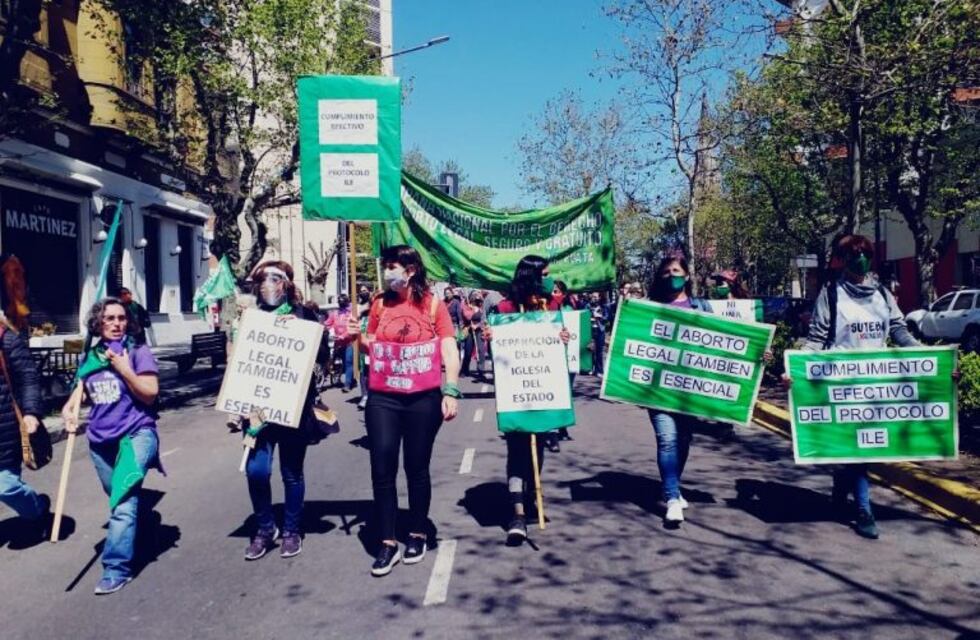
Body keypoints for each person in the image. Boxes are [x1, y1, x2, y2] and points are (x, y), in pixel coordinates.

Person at [791, 235, 927, 540]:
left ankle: (841, 486)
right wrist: (797, 368)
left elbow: (898, 330)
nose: (860, 259)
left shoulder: (882, 292)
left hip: (877, 384)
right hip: (841, 383)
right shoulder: (832, 293)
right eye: (853, 255)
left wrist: (925, 356)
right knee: (859, 452)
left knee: (860, 449)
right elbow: (817, 337)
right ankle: (864, 510)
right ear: (842, 259)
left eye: (865, 253)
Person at [348, 245, 460, 577]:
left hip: (423, 399)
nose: (387, 272)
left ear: (410, 270)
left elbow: (449, 348)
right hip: (384, 397)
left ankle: (416, 532)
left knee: (416, 467)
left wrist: (451, 388)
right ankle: (386, 541)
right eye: (386, 266)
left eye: (392, 266)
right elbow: (373, 344)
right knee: (382, 465)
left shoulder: (433, 305)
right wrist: (357, 337)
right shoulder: (380, 303)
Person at [62, 298, 162, 595]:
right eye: (109, 318)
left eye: (121, 318)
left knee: (122, 502)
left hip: (136, 436)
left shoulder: (137, 352)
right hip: (100, 441)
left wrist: (124, 369)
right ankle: (140, 530)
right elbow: (78, 395)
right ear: (98, 323)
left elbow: (150, 395)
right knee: (120, 497)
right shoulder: (91, 357)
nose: (117, 323)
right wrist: (69, 411)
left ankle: (116, 569)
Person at [240, 260, 327, 561]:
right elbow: (239, 362)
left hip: (292, 409)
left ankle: (291, 529)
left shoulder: (305, 316)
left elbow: (323, 355)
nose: (268, 285)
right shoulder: (250, 318)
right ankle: (265, 528)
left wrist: (301, 332)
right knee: (256, 471)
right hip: (257, 411)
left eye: (275, 279)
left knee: (291, 472)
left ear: (287, 284)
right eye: (263, 280)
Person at [486, 255, 570, 544]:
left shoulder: (553, 306)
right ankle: (518, 513)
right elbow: (499, 344)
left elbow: (563, 342)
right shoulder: (505, 309)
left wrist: (563, 337)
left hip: (543, 389)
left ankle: (533, 493)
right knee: (517, 448)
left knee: (538, 447)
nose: (549, 279)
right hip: (516, 391)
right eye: (545, 274)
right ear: (531, 276)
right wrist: (491, 336)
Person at [645, 257, 718, 526]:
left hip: (690, 390)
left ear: (687, 276)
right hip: (658, 390)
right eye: (665, 272)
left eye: (676, 271)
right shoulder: (649, 308)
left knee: (683, 440)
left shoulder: (701, 306)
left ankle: (674, 484)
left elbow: (722, 341)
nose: (670, 276)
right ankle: (672, 498)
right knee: (667, 439)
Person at [0, 317, 49, 545]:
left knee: (5, 485)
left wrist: (31, 412)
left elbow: (28, 377)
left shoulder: (6, 340)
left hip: (5, 430)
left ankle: (36, 511)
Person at [324, 294, 355, 392]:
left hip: (349, 342)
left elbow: (352, 327)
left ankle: (347, 384)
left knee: (348, 362)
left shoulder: (351, 313)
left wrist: (343, 336)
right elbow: (328, 323)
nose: (341, 303)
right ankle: (338, 377)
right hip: (337, 342)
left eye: (343, 301)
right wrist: (323, 328)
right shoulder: (335, 313)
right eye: (339, 301)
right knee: (334, 361)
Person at [460, 291, 489, 379]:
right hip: (469, 329)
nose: (476, 299)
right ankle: (464, 370)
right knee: (468, 351)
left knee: (481, 350)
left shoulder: (481, 306)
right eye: (474, 297)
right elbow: (467, 316)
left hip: (479, 330)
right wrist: (473, 313)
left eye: (477, 298)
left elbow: (484, 318)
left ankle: (481, 371)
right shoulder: (466, 305)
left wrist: (478, 325)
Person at [588, 292, 608, 377]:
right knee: (590, 350)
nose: (594, 298)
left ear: (600, 297)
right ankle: (591, 368)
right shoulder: (588, 306)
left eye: (596, 297)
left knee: (599, 351)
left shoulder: (604, 307)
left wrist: (600, 316)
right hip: (590, 330)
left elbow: (607, 317)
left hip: (600, 330)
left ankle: (600, 370)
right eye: (593, 297)